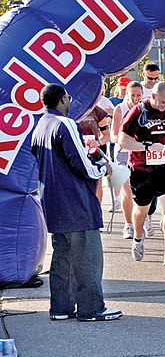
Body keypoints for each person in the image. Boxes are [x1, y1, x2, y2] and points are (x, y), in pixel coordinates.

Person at [31, 84, 122, 322]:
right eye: (68, 98)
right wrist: (103, 167)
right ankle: (92, 309)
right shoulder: (66, 124)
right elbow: (79, 163)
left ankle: (61, 308)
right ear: (62, 100)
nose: (69, 102)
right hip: (75, 201)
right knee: (87, 257)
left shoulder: (40, 126)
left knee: (62, 257)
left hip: (52, 201)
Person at [119, 81, 165, 267]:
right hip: (141, 168)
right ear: (152, 97)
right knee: (142, 209)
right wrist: (146, 146)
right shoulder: (138, 111)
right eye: (162, 103)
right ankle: (138, 237)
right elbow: (123, 140)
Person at [110, 81, 144, 239]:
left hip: (140, 152)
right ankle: (128, 224)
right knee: (127, 190)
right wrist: (125, 140)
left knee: (143, 189)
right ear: (126, 95)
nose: (136, 98)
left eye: (139, 95)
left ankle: (144, 218)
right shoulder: (120, 109)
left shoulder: (146, 109)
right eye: (133, 95)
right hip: (123, 152)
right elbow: (113, 135)